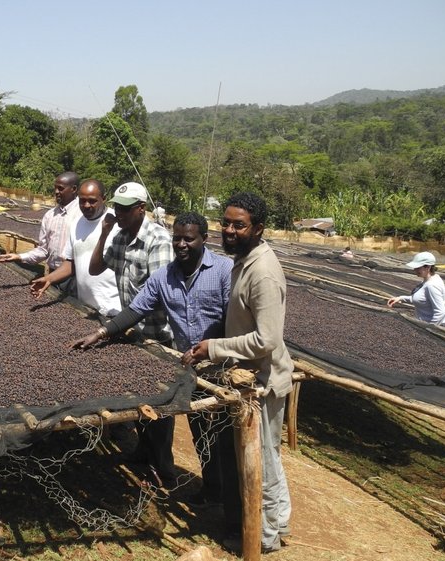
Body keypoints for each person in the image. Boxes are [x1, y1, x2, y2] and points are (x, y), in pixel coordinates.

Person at [72, 212, 236, 519]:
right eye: (177, 238)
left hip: (222, 365)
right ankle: (204, 487)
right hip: (187, 364)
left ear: (204, 239)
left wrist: (211, 346)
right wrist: (100, 333)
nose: (182, 244)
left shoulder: (224, 270)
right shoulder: (165, 276)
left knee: (218, 434)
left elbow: (233, 318)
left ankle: (222, 495)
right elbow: (135, 310)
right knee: (197, 428)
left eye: (190, 238)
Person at [184, 192, 293, 554]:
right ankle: (277, 526)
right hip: (252, 376)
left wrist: (213, 348)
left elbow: (266, 339)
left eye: (239, 225)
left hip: (262, 382)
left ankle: (262, 536)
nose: (229, 230)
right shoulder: (244, 260)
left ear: (258, 228)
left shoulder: (262, 273)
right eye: (226, 223)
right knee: (269, 456)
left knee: (260, 460)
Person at [88, 181, 175, 483]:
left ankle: (163, 468)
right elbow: (95, 268)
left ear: (141, 208)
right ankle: (143, 452)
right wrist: (104, 232)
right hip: (132, 331)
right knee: (140, 397)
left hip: (157, 334)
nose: (119, 213)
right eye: (116, 208)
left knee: (160, 407)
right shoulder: (121, 236)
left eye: (125, 209)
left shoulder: (158, 239)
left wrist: (111, 328)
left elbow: (159, 294)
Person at [30, 179, 121, 317]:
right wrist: (49, 278)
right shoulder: (78, 223)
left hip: (113, 308)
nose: (86, 205)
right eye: (82, 201)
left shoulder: (117, 222)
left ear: (104, 199)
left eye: (92, 201)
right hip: (85, 307)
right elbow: (71, 262)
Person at [0, 172, 81, 292]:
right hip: (52, 273)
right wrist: (19, 257)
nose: (56, 192)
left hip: (76, 278)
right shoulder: (50, 216)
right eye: (55, 188)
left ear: (74, 189)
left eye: (60, 188)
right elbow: (43, 250)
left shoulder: (82, 215)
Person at [387, 251, 445, 325]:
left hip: (431, 325)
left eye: (418, 268)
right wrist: (400, 298)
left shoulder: (431, 286)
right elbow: (421, 299)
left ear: (428, 267)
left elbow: (441, 312)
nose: (414, 270)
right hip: (424, 323)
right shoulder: (428, 280)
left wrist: (429, 329)